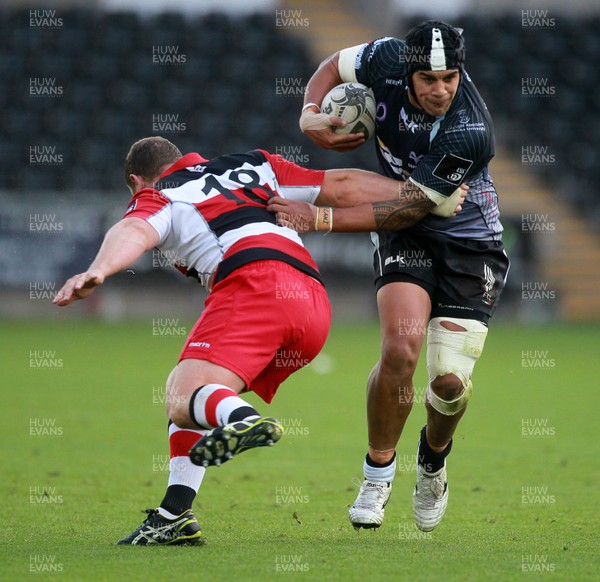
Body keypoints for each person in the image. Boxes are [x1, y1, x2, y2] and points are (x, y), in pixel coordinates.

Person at [53, 136, 462, 546]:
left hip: (254, 286)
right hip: (312, 305)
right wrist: (427, 195)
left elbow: (134, 229)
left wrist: (99, 270)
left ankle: (241, 420)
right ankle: (173, 515)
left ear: (137, 181)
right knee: (200, 389)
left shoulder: (162, 193)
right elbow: (342, 184)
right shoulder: (256, 165)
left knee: (183, 395)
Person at [273, 20, 510, 532]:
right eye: (429, 79)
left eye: (450, 78)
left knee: (449, 386)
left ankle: (433, 458)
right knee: (400, 349)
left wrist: (320, 220)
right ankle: (377, 471)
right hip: (409, 239)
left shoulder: (469, 131)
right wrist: (310, 115)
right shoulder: (383, 57)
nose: (442, 89)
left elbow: (407, 207)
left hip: (469, 244)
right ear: (408, 72)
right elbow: (331, 67)